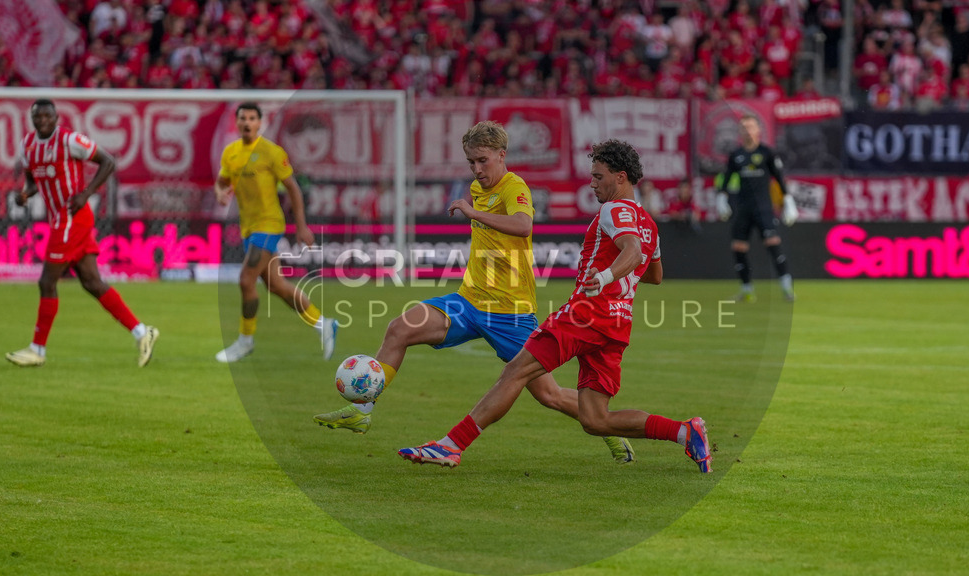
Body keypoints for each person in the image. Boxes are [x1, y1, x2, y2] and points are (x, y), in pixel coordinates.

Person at [314, 121, 636, 464]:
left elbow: (523, 225)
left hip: (510, 312)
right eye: (471, 162)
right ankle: (362, 410)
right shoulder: (478, 188)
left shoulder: (514, 187)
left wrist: (473, 212)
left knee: (549, 395)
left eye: (483, 160)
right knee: (400, 328)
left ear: (501, 155)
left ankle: (606, 426)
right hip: (468, 301)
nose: (477, 169)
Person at [398, 139, 712, 473]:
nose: (592, 184)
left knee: (516, 371)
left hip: (587, 314)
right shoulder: (649, 224)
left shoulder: (614, 210)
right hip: (617, 324)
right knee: (595, 419)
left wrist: (605, 276)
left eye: (598, 176)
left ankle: (450, 446)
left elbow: (632, 251)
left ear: (620, 177)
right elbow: (654, 275)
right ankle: (684, 431)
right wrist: (621, 271)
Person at [6, 99, 159, 367]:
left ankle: (37, 350)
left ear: (56, 118)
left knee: (47, 281)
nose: (43, 120)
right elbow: (33, 180)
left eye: (47, 116)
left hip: (72, 218)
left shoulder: (70, 140)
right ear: (32, 119)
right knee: (91, 282)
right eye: (38, 116)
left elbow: (108, 161)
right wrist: (25, 194)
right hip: (60, 219)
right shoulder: (27, 146)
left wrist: (86, 193)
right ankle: (141, 332)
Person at [213, 102, 336, 362]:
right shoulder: (231, 153)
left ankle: (245, 341)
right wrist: (220, 192)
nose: (247, 123)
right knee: (276, 285)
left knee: (246, 281)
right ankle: (322, 323)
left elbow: (293, 188)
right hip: (248, 228)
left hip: (268, 225)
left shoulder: (271, 152)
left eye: (252, 118)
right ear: (237, 122)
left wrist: (301, 226)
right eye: (243, 118)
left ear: (260, 123)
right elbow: (222, 181)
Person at [715, 115, 797, 303]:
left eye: (750, 127)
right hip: (743, 208)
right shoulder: (736, 155)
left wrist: (788, 201)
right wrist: (721, 198)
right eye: (744, 127)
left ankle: (787, 288)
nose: (747, 131)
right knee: (738, 247)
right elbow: (726, 180)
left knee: (773, 244)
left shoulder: (767, 152)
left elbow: (779, 178)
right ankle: (747, 290)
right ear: (740, 132)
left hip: (764, 208)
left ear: (758, 130)